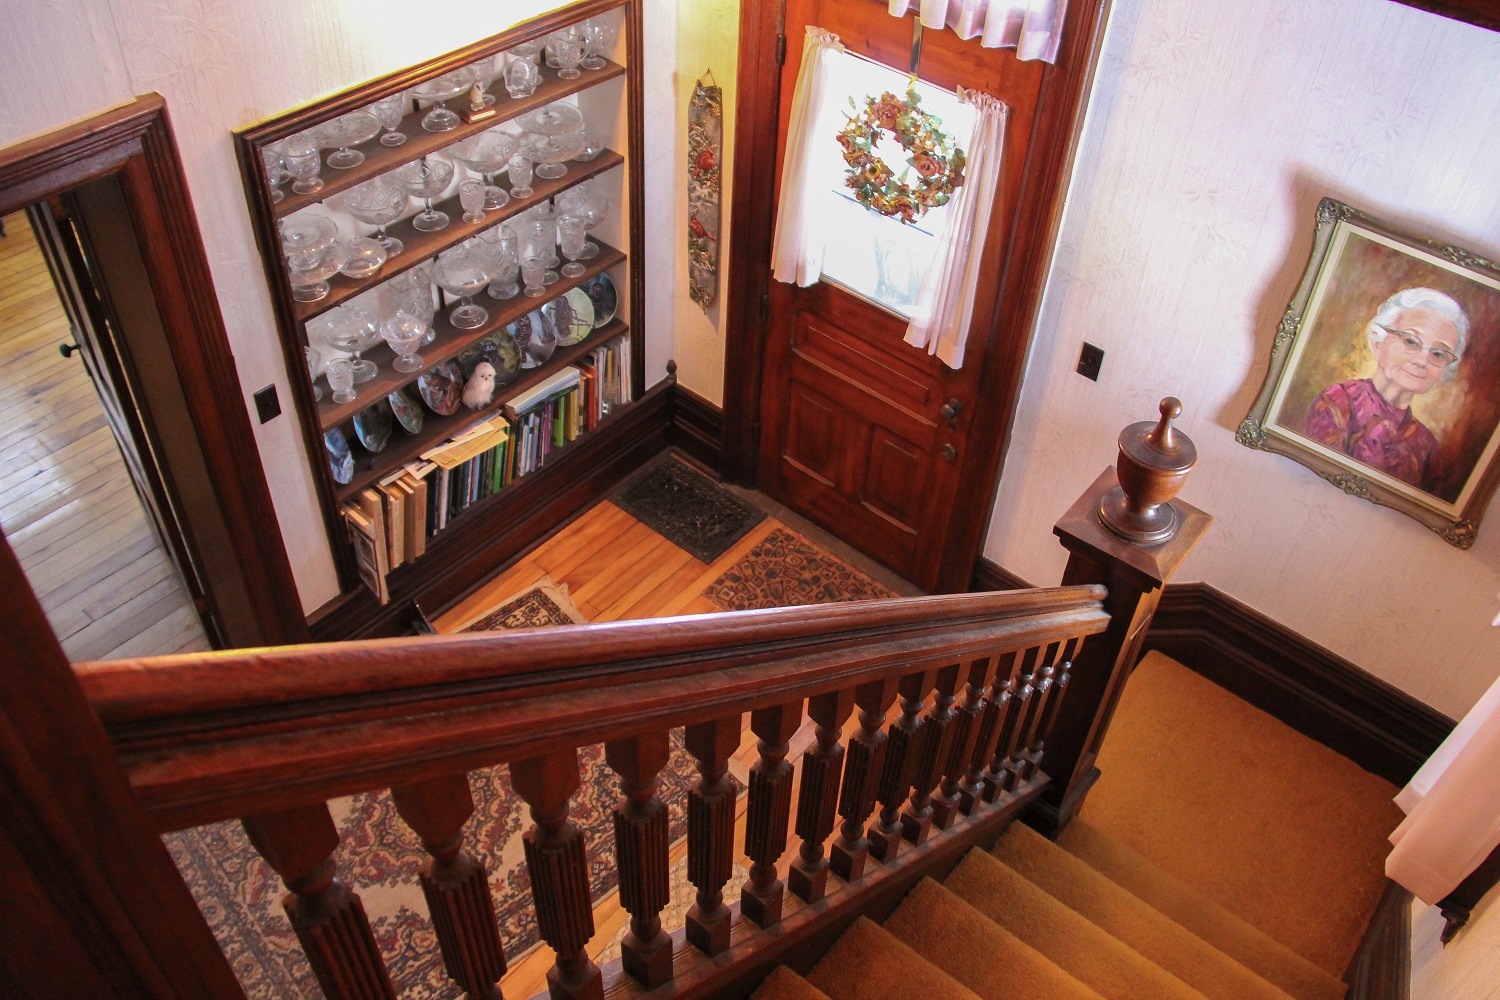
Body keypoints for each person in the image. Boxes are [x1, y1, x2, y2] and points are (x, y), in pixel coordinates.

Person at [1304, 287, 1468, 492]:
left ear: (1445, 369)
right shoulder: (1337, 401)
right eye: (1411, 341)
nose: (1422, 361)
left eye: (1438, 354)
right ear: (1377, 341)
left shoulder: (1427, 446)